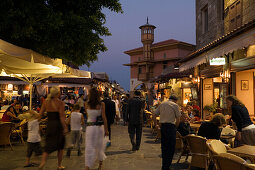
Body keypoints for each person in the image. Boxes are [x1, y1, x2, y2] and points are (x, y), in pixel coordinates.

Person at [38, 86, 68, 170]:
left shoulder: (46, 102)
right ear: (58, 93)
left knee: (48, 146)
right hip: (58, 126)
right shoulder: (60, 103)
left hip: (49, 125)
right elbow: (62, 117)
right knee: (60, 147)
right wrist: (65, 127)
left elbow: (40, 114)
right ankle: (59, 165)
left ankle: (43, 162)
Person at [154, 95, 181, 170]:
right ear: (175, 100)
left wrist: (156, 124)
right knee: (171, 148)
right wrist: (175, 127)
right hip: (171, 127)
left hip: (163, 127)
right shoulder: (175, 105)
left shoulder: (162, 104)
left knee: (164, 147)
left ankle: (164, 165)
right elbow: (178, 119)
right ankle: (167, 166)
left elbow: (154, 114)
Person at [85, 88, 109, 170]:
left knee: (89, 146)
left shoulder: (87, 104)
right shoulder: (101, 104)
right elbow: (104, 117)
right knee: (100, 146)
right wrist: (106, 130)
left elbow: (88, 117)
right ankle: (100, 165)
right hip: (99, 128)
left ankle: (87, 166)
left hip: (90, 128)